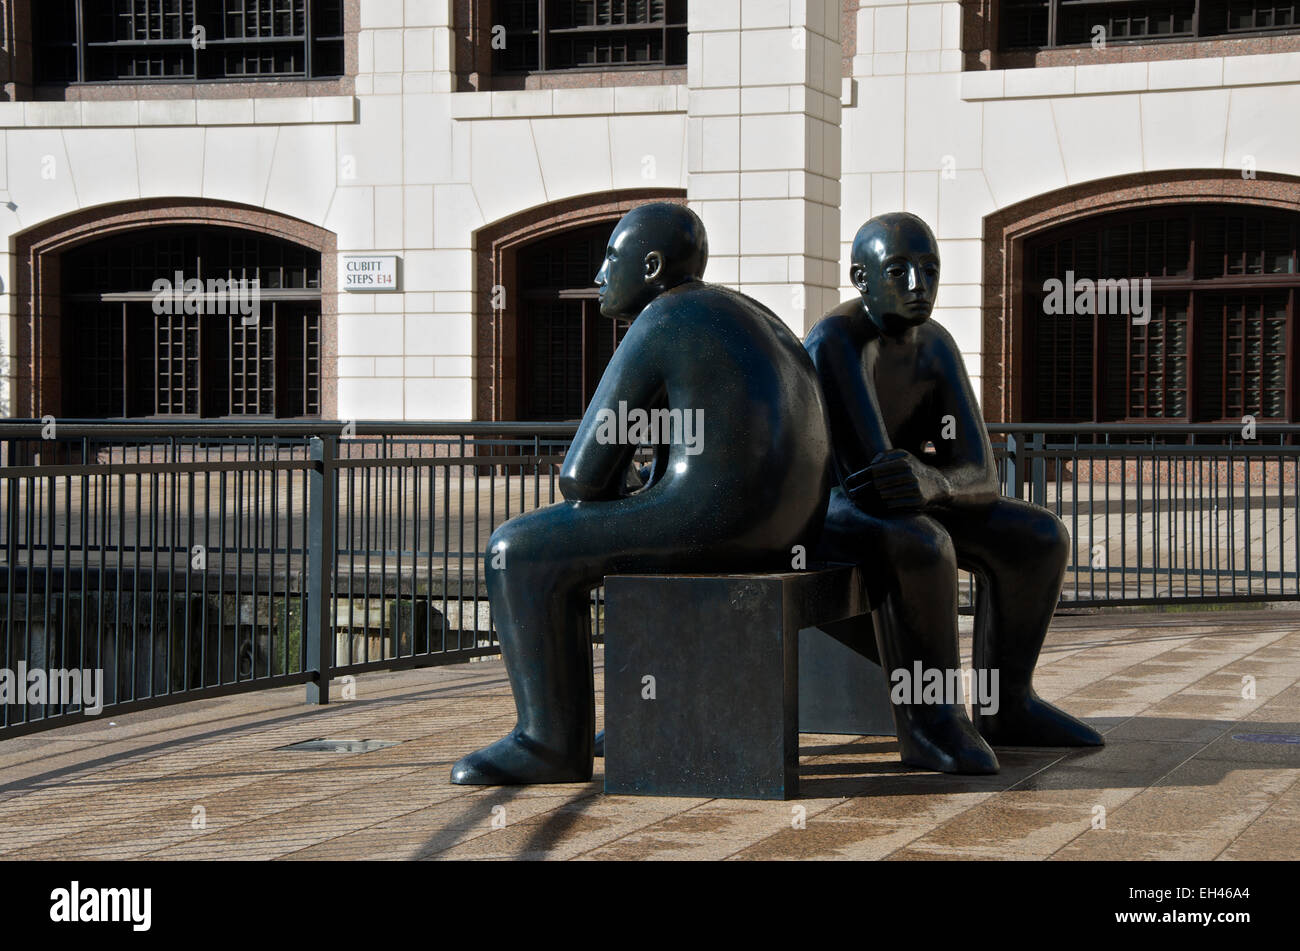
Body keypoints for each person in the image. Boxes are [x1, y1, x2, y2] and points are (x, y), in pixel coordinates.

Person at [451, 202, 833, 785]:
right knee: (631, 530)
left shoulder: (663, 318)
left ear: (651, 265)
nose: (599, 276)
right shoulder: (754, 314)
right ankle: (646, 711)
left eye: (610, 258)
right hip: (790, 531)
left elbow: (581, 476)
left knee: (519, 550)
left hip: (715, 524)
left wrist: (622, 485)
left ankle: (549, 740)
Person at [804, 212, 1103, 775]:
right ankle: (929, 719)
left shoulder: (936, 344)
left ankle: (1007, 703)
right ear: (860, 278)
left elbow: (981, 475)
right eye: (899, 271)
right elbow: (871, 481)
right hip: (828, 509)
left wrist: (935, 481)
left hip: (907, 497)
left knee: (1037, 537)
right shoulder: (837, 341)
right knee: (920, 543)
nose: (919, 286)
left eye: (930, 270)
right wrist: (927, 482)